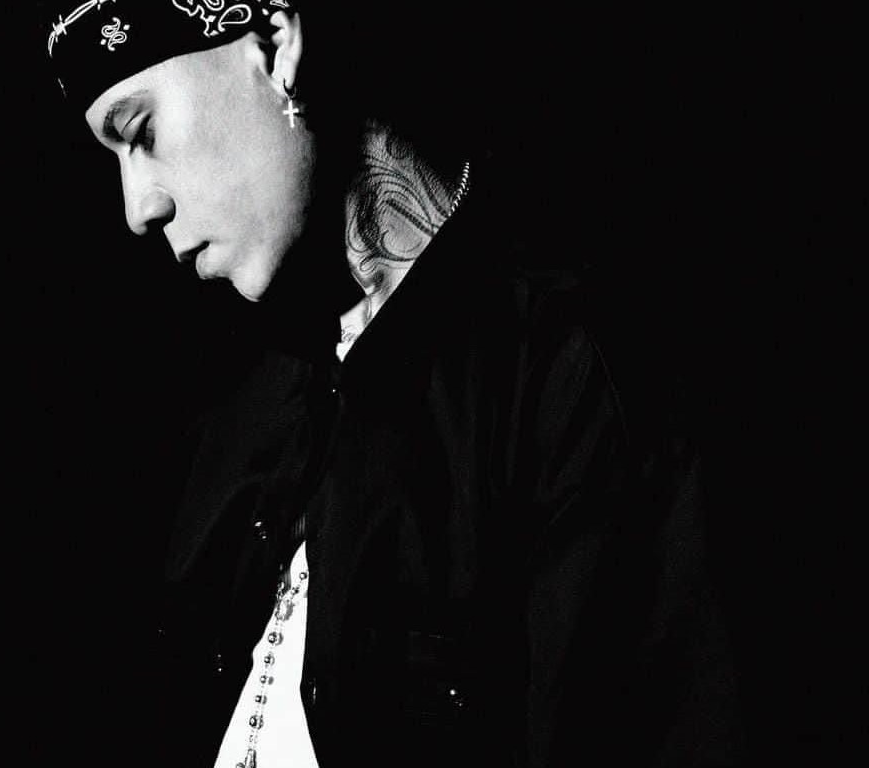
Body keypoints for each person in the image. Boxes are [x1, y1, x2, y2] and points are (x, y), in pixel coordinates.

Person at [39, 2, 741, 765]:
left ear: (276, 45)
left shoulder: (568, 373)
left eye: (142, 131)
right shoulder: (233, 419)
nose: (137, 208)